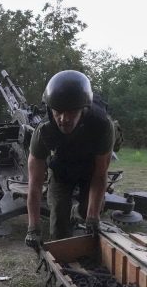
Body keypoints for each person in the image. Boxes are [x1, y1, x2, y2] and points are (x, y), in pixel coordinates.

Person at [24, 70, 115, 249]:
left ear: (84, 109)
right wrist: (33, 228)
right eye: (58, 112)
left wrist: (92, 217)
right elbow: (34, 184)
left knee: (90, 211)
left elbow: (100, 175)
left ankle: (80, 214)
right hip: (61, 171)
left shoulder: (102, 126)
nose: (64, 119)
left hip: (90, 170)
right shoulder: (43, 132)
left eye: (72, 112)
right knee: (59, 219)